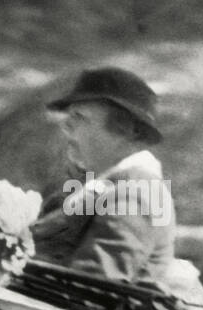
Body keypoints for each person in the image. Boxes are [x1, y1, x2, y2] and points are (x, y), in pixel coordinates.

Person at [31, 65, 174, 285]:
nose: (66, 126)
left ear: (125, 129)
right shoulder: (98, 185)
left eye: (79, 117)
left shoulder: (137, 194)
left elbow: (91, 289)